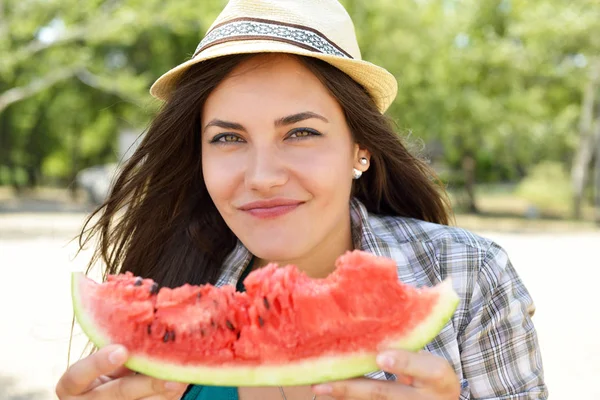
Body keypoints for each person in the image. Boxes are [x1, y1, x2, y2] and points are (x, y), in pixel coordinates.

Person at [56, 0, 548, 399]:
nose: (264, 176)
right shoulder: (167, 275)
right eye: (228, 139)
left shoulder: (467, 275)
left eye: (301, 133)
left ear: (361, 148)